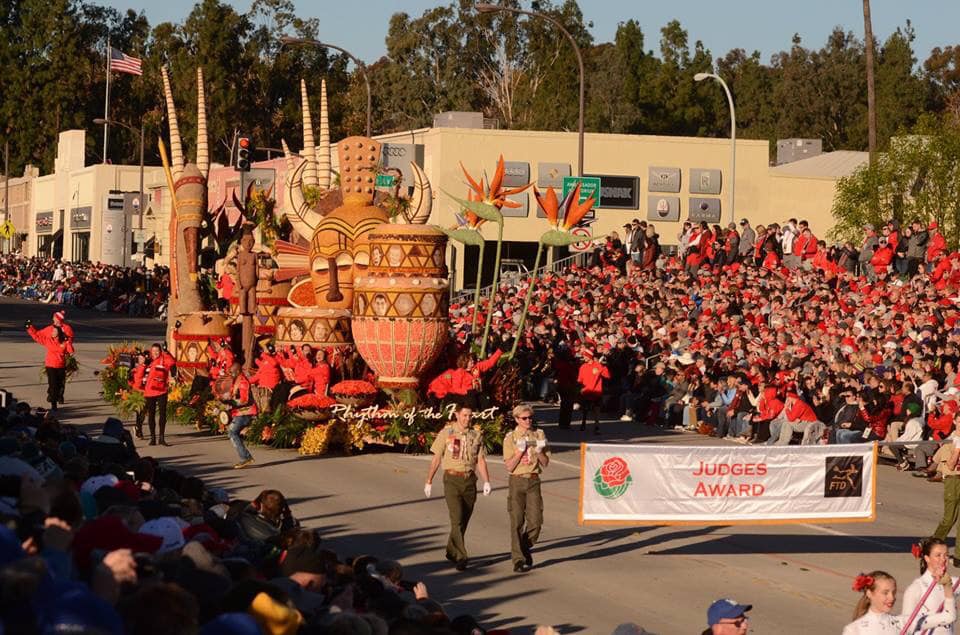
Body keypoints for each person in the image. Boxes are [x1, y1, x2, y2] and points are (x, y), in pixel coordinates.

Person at [423, 403, 492, 571]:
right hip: (452, 479)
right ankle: (462, 556)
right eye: (464, 415)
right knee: (456, 518)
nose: (467, 419)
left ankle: (451, 550)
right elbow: (437, 458)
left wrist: (486, 481)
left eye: (470, 416)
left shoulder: (476, 435)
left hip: (469, 481)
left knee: (463, 520)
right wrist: (429, 481)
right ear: (457, 415)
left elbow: (480, 460)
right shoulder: (446, 433)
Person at [502, 404, 549, 573]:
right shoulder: (510, 438)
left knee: (536, 522)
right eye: (524, 418)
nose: (528, 421)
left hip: (533, 480)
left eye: (530, 417)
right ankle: (518, 559)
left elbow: (545, 463)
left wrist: (539, 451)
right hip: (517, 480)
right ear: (516, 419)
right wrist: (519, 452)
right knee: (516, 521)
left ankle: (524, 546)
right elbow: (509, 466)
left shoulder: (539, 434)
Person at [843, 570, 954, 634]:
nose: (892, 598)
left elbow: (949, 617)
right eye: (885, 593)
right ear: (869, 593)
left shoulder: (903, 622)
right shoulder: (854, 630)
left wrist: (947, 586)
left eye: (894, 592)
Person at [901, 538, 958, 635]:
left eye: (946, 555)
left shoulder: (954, 583)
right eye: (938, 555)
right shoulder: (916, 588)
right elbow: (906, 626)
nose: (943, 559)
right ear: (927, 558)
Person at [26, 317, 74, 411]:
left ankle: (57, 396)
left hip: (61, 366)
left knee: (60, 385)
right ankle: (53, 404)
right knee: (53, 385)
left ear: (58, 333)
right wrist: (29, 327)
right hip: (50, 366)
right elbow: (37, 336)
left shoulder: (64, 342)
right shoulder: (48, 341)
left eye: (54, 332)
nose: (52, 333)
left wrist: (68, 342)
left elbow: (71, 352)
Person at [224, 362, 258, 469]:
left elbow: (244, 400)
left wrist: (232, 402)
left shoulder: (243, 382)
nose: (231, 374)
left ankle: (246, 458)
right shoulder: (236, 381)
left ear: (238, 371)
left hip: (246, 412)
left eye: (232, 372)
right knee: (232, 433)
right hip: (240, 412)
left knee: (232, 432)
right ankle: (245, 457)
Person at [933, 426, 960, 551]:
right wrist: (957, 449)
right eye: (959, 421)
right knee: (949, 519)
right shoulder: (950, 442)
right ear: (955, 422)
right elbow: (950, 465)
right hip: (953, 480)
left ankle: (958, 556)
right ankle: (932, 544)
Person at [143, 343, 175, 446]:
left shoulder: (164, 359)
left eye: (157, 351)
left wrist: (166, 352)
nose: (155, 353)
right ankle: (153, 438)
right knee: (151, 414)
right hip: (150, 391)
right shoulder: (148, 361)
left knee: (162, 413)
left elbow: (172, 362)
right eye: (153, 351)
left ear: (160, 351)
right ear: (151, 352)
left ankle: (161, 437)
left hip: (161, 390)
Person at [577, 349, 610, 434]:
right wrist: (580, 389)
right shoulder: (583, 366)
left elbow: (607, 376)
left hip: (596, 391)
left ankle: (597, 426)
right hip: (586, 391)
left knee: (596, 409)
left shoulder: (598, 365)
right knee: (585, 409)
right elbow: (580, 380)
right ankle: (583, 422)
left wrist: (603, 367)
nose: (583, 357)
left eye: (585, 356)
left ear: (589, 356)